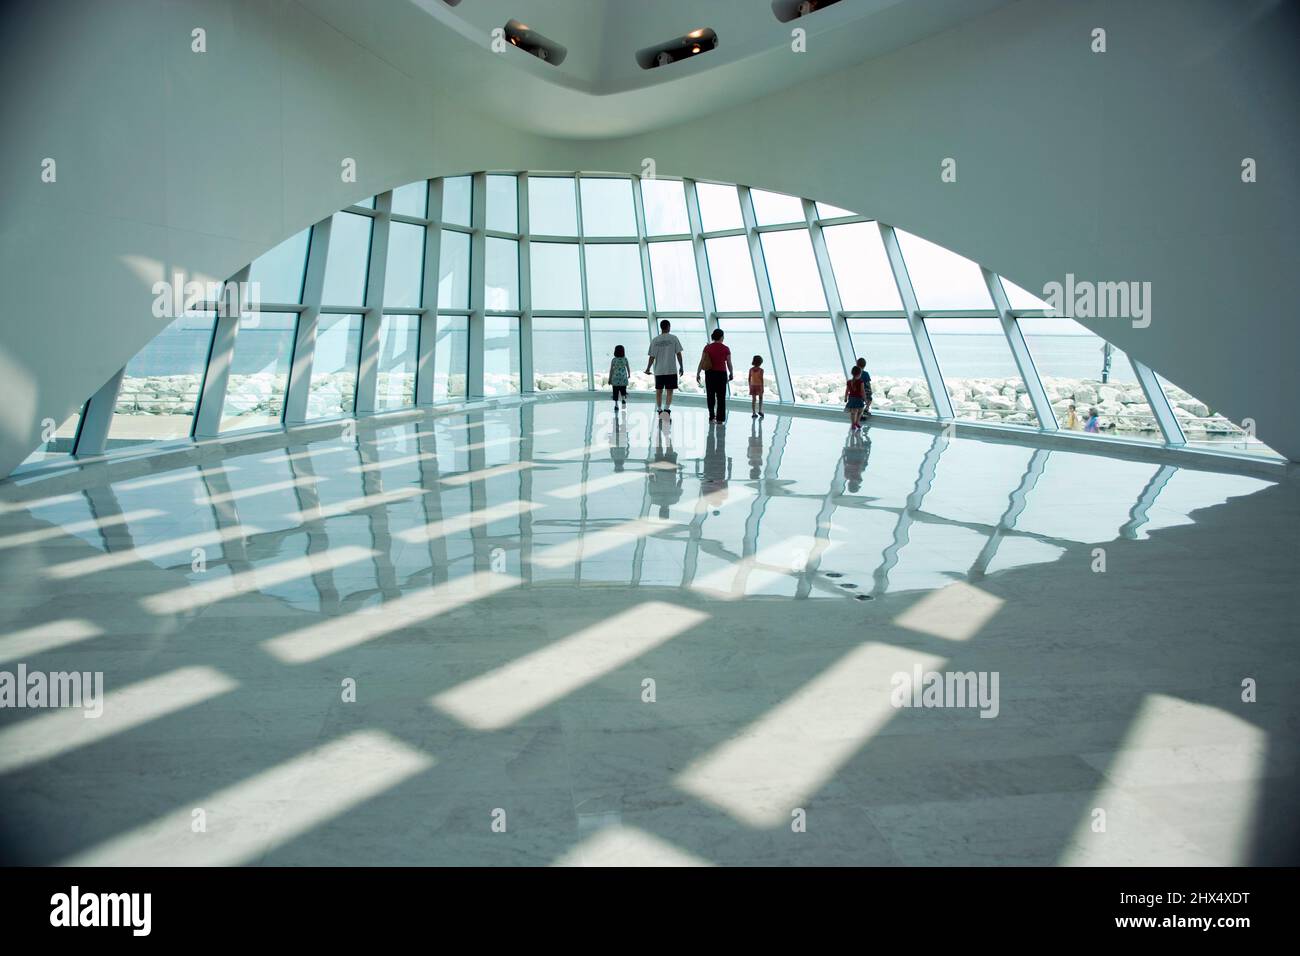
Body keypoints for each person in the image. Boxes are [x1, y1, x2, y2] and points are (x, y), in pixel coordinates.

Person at [645, 319, 684, 416]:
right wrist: (681, 367)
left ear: (661, 327)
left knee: (659, 391)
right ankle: (666, 409)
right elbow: (678, 354)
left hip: (659, 371)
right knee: (669, 391)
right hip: (671, 370)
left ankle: (659, 409)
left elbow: (652, 357)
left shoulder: (655, 340)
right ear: (669, 327)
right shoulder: (674, 338)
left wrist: (648, 368)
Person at [697, 328, 733, 423]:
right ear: (721, 337)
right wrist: (731, 373)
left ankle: (712, 416)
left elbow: (702, 361)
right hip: (721, 375)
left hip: (710, 374)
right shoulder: (726, 348)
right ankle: (720, 419)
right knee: (721, 397)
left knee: (710, 396)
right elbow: (729, 363)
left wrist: (698, 373)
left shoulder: (707, 348)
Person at [607, 344, 629, 412]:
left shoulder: (614, 360)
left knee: (615, 392)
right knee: (623, 390)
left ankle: (616, 405)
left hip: (615, 379)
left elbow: (611, 370)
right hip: (623, 378)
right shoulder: (625, 359)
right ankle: (623, 399)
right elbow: (628, 367)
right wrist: (629, 374)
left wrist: (609, 379)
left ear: (615, 351)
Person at [844, 366, 867, 430]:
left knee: (853, 412)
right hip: (858, 399)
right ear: (860, 374)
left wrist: (845, 397)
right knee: (860, 410)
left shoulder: (849, 382)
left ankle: (853, 424)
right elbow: (862, 392)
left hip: (851, 399)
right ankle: (857, 422)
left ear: (852, 373)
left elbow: (847, 391)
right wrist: (865, 399)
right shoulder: (861, 382)